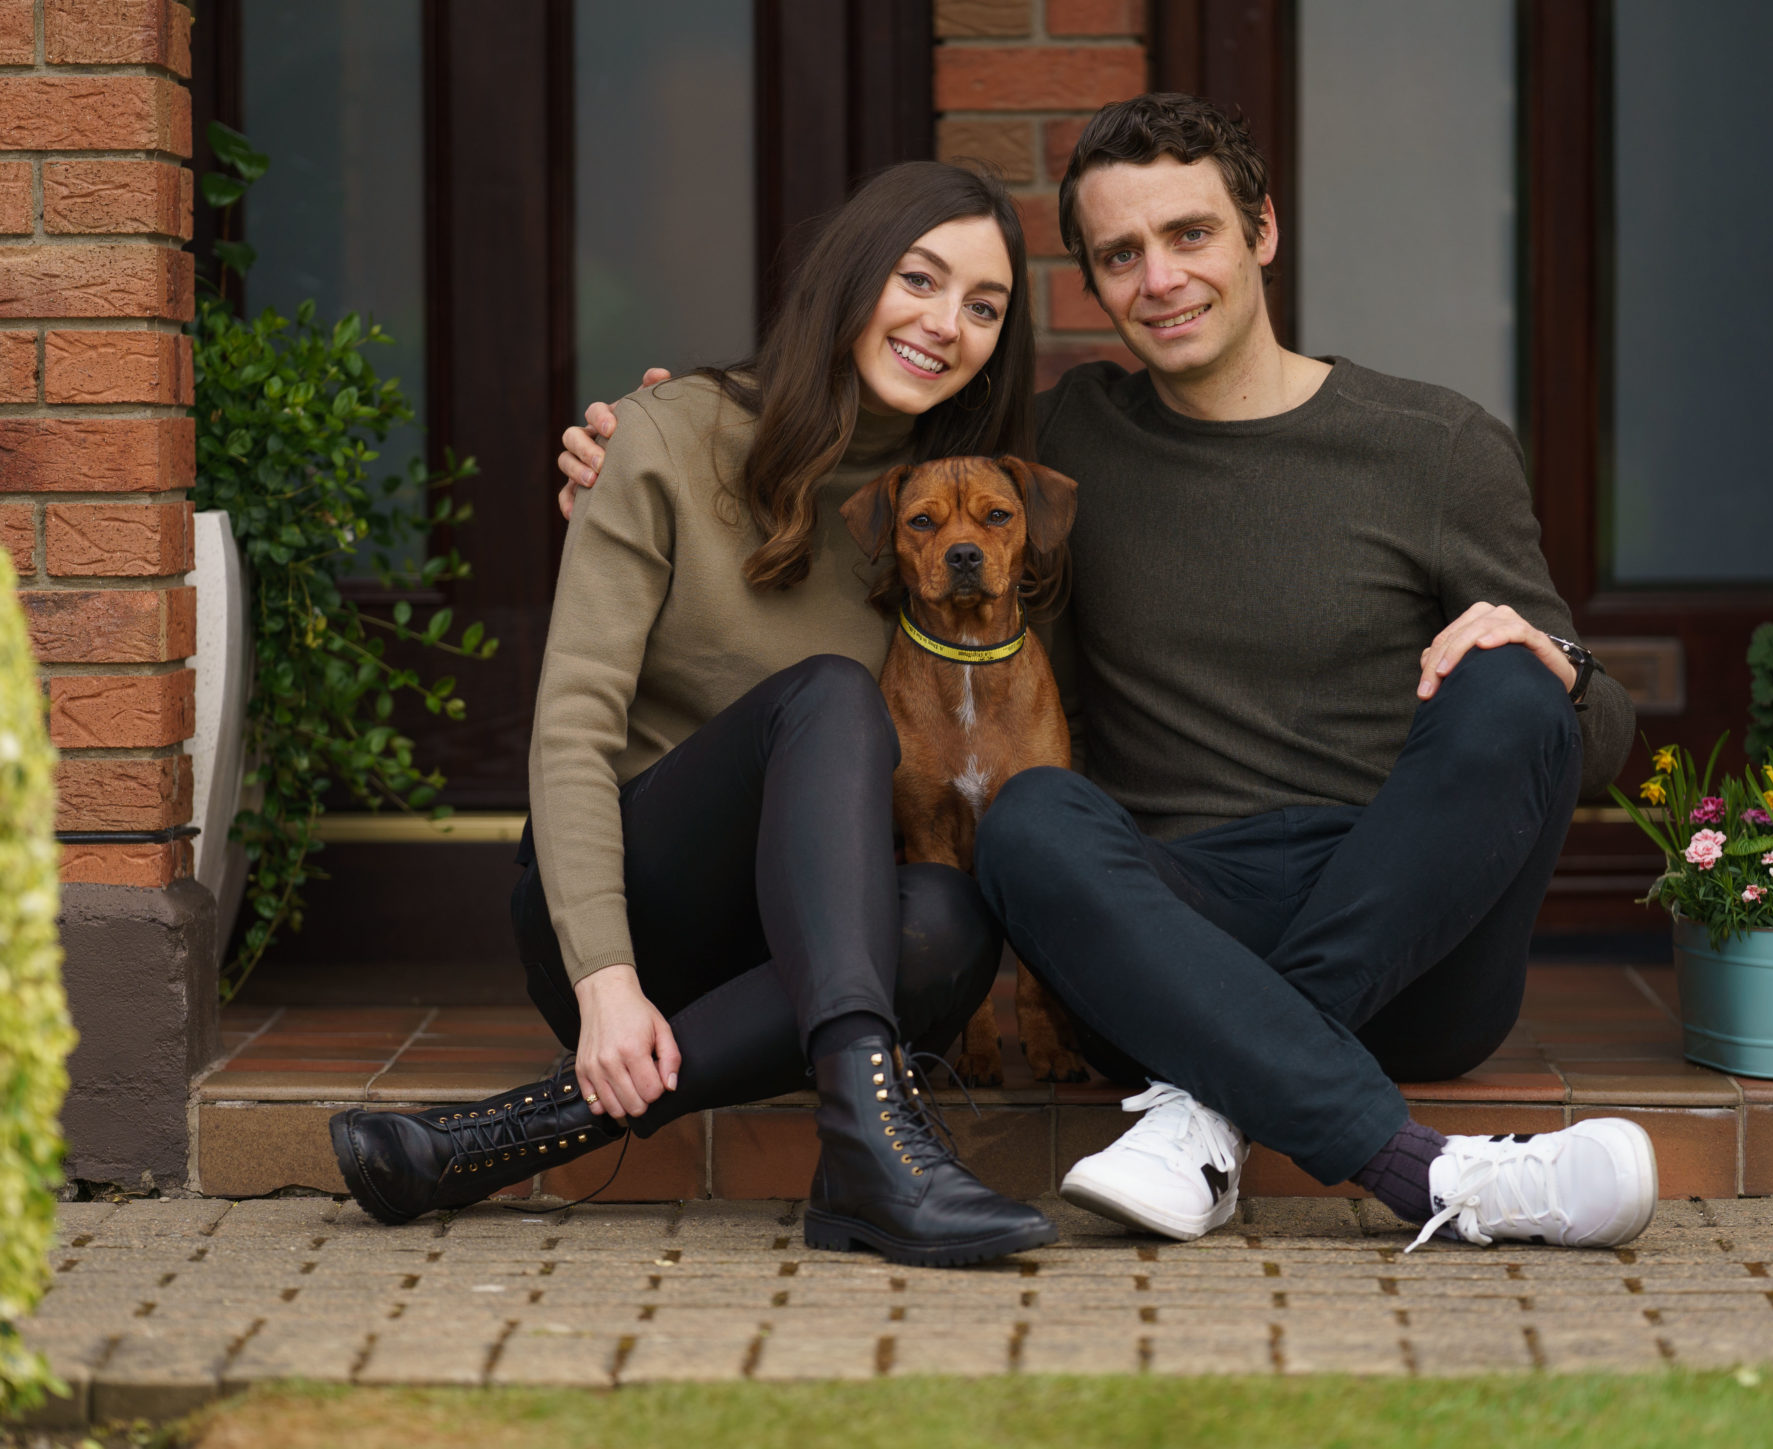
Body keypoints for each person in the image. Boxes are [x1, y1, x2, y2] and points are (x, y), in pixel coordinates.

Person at [558, 95, 1660, 1255]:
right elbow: (876, 467)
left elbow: (1585, 733)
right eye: (1119, 254)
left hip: (1414, 936)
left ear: (1261, 233)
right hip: (1162, 936)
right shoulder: (1063, 447)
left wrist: (1558, 666)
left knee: (1508, 677)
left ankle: (1230, 1107)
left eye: (1190, 235)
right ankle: (1427, 1167)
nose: (1160, 278)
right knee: (1031, 814)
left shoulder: (1435, 445)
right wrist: (668, 449)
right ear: (1089, 280)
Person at [329, 161, 1060, 1269]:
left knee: (949, 926)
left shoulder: (954, 503)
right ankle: (874, 1148)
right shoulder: (668, 436)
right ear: (852, 276)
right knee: (828, 694)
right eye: (919, 278)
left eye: (983, 306)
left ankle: (488, 1142)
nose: (944, 322)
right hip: (640, 910)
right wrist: (607, 985)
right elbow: (571, 725)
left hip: (815, 947)